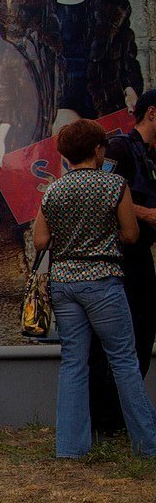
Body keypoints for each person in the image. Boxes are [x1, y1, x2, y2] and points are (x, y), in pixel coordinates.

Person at [31, 119, 156, 457]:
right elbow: (130, 235)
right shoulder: (115, 185)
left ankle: (70, 448)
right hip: (103, 282)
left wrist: (69, 239)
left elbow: (41, 239)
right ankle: (148, 444)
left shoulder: (54, 189)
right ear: (99, 149)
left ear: (65, 154)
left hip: (64, 284)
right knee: (124, 362)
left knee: (74, 363)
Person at [0, 0, 143, 166]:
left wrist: (130, 88)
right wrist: (1, 135)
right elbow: (11, 70)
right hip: (55, 107)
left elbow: (126, 55)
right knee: (73, 169)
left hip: (106, 108)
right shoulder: (29, 2)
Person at [89, 90, 156, 434]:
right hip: (119, 257)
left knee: (143, 334)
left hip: (142, 255)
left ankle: (122, 416)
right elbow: (105, 195)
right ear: (152, 114)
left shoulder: (151, 156)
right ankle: (106, 420)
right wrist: (146, 213)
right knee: (116, 341)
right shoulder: (120, 149)